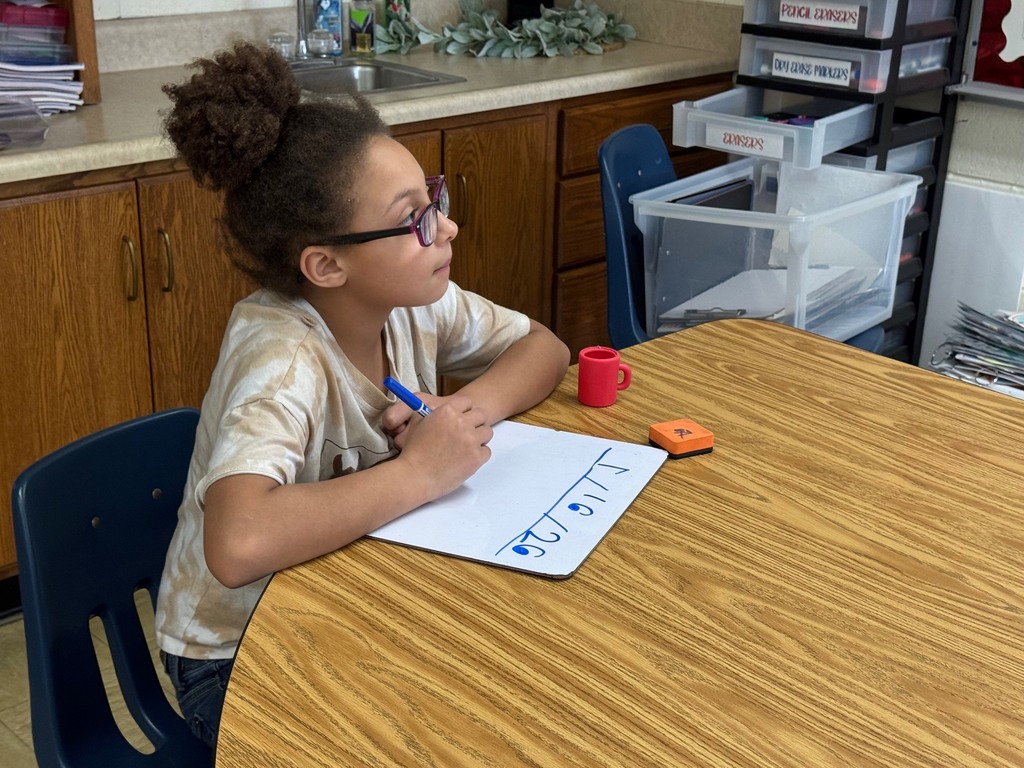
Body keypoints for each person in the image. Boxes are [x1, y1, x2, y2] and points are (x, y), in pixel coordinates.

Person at [153, 40, 570, 749]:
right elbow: (237, 541)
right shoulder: (282, 357)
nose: (447, 227)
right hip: (235, 654)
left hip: (345, 596)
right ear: (325, 264)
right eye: (415, 219)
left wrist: (464, 415)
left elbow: (546, 349)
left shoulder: (409, 302)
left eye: (432, 200)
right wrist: (419, 472)